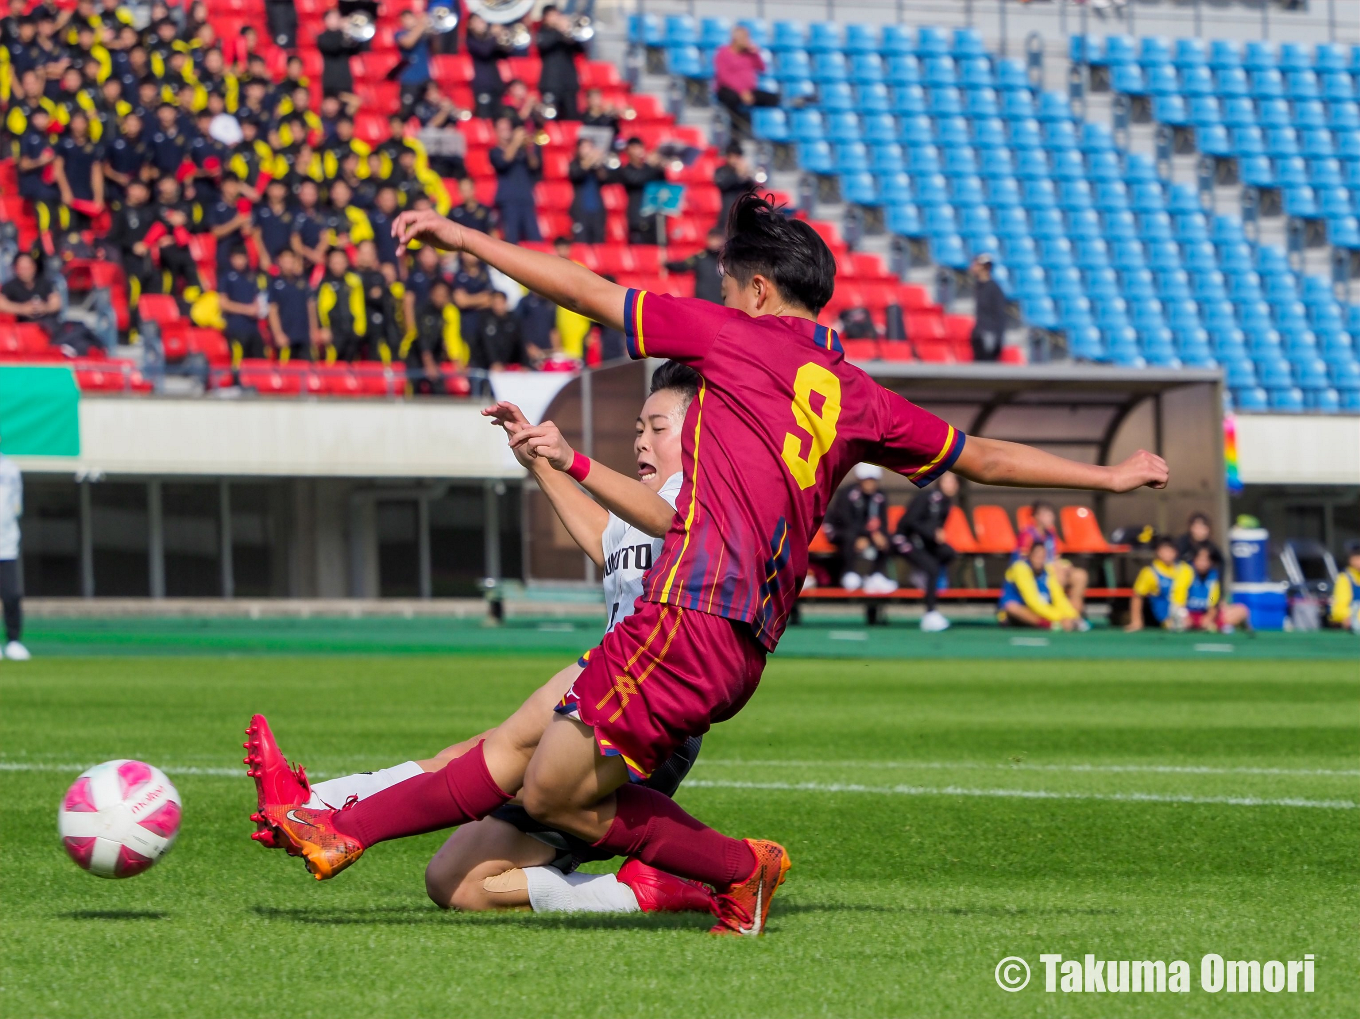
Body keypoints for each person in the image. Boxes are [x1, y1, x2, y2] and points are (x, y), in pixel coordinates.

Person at [258, 190, 1169, 938]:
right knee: (524, 759)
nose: (723, 296)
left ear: (761, 291)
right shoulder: (858, 396)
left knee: (553, 787)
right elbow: (982, 457)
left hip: (688, 608)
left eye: (730, 283)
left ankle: (738, 868)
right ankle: (340, 826)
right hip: (740, 642)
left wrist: (463, 236)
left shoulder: (735, 340)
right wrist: (1108, 474)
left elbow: (585, 288)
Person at [248, 365, 715, 917]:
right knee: (455, 883)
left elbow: (668, 521)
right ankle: (638, 892)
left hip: (644, 720)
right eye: (637, 426)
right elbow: (604, 538)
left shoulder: (704, 498)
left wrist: (572, 460)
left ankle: (315, 806)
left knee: (481, 756)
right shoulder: (638, 503)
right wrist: (538, 462)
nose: (640, 438)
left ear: (698, 435)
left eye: (657, 428)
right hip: (603, 693)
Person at [892, 472, 958, 632]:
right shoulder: (927, 497)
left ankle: (923, 574)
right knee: (932, 568)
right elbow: (909, 521)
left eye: (954, 482)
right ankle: (930, 614)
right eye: (947, 481)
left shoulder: (946, 503)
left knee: (949, 553)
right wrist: (931, 532)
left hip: (923, 542)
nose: (951, 485)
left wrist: (935, 534)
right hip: (904, 539)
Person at [823, 464, 897, 593]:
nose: (870, 484)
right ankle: (849, 573)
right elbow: (846, 521)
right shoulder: (847, 494)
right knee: (851, 537)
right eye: (866, 480)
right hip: (841, 532)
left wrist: (879, 535)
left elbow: (882, 522)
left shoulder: (879, 496)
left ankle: (876, 575)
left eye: (873, 480)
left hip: (867, 534)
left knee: (888, 539)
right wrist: (867, 534)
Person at [1016, 500, 1087, 618]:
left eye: (1051, 514)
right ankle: (1059, 615)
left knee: (1080, 575)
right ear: (1037, 517)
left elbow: (1055, 556)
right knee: (1057, 574)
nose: (1051, 518)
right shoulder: (1028, 534)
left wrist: (1065, 565)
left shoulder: (1051, 534)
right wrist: (1051, 566)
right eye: (1047, 515)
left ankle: (1076, 615)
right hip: (1038, 573)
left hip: (1052, 568)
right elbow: (1024, 560)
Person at [712, 24, 777, 140]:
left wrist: (755, 53)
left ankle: (765, 131)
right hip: (728, 90)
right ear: (736, 39)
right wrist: (742, 91)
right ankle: (736, 132)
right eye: (745, 38)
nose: (748, 41)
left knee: (772, 98)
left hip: (749, 91)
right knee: (732, 99)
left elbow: (762, 68)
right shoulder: (723, 53)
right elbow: (724, 77)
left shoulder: (749, 55)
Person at [998, 542, 1081, 631]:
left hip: (1041, 611)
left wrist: (1072, 616)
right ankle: (1049, 625)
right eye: (1037, 556)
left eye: (1042, 557)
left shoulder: (1048, 570)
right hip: (1018, 612)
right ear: (1030, 555)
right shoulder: (1020, 568)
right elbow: (1032, 601)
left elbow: (1058, 597)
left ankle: (1063, 622)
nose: (1039, 560)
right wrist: (1060, 618)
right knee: (1012, 607)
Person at [489, 117, 541, 244]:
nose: (506, 131)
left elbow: (535, 165)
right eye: (502, 128)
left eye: (508, 128)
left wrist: (528, 147)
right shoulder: (495, 152)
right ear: (496, 131)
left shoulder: (521, 151)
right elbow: (504, 161)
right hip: (508, 201)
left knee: (535, 240)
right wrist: (516, 142)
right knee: (511, 240)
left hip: (526, 199)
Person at [1126, 536, 1193, 632]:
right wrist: (1136, 621)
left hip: (1187, 616)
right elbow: (1137, 596)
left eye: (1171, 550)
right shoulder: (1149, 572)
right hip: (1162, 621)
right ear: (1158, 552)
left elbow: (1202, 593)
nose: (1168, 554)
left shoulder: (1185, 570)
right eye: (1164, 550)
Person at [0, 434, 27, 661]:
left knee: (11, 595)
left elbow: (17, 506)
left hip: (6, 546)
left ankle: (14, 641)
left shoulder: (10, 470)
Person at [1184, 545, 1249, 634]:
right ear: (1194, 559)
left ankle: (1218, 625)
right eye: (1200, 559)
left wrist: (1209, 616)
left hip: (1206, 614)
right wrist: (1184, 614)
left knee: (1242, 610)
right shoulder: (1186, 572)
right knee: (1182, 622)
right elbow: (1180, 597)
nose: (1203, 563)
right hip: (1189, 614)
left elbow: (1212, 599)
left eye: (1206, 560)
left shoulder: (1213, 576)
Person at [468, 288, 537, 372]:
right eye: (496, 303)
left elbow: (520, 342)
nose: (498, 306)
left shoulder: (513, 320)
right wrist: (494, 362)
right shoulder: (485, 319)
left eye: (500, 303)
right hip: (486, 366)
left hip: (507, 366)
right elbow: (488, 343)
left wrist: (525, 364)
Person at [265, 248, 316, 362]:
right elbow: (272, 310)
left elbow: (310, 306)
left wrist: (313, 330)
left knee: (308, 371)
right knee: (286, 374)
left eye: (291, 259)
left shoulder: (303, 282)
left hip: (304, 336)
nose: (288, 262)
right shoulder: (274, 284)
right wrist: (278, 334)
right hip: (286, 337)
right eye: (285, 259)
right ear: (279, 261)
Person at [614, 135, 665, 244]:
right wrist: (649, 164)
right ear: (628, 151)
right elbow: (637, 179)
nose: (638, 151)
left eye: (640, 147)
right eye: (634, 148)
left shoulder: (650, 169)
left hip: (653, 217)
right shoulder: (625, 170)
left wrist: (660, 167)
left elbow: (662, 183)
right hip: (637, 217)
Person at [535, 5, 582, 122]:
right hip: (551, 83)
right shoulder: (543, 33)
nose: (556, 18)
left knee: (571, 118)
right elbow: (544, 45)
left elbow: (581, 50)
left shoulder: (566, 34)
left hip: (569, 83)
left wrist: (571, 32)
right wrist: (560, 30)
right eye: (553, 16)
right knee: (549, 118)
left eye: (557, 15)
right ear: (545, 18)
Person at [218, 245, 264, 365]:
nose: (239, 261)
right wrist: (246, 310)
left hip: (253, 328)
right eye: (236, 258)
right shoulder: (226, 277)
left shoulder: (253, 277)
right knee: (239, 362)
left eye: (242, 258)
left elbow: (260, 299)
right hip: (236, 328)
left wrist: (258, 308)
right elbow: (223, 303)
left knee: (259, 362)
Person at [0, 253, 61, 336]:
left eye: (28, 267)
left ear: (34, 267)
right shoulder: (10, 286)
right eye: (22, 268)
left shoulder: (44, 283)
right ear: (16, 269)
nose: (25, 270)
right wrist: (22, 309)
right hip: (22, 327)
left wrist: (45, 308)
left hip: (46, 325)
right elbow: (2, 303)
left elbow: (56, 302)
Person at [464, 13, 509, 118]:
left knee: (498, 118)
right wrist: (494, 36)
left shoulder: (489, 40)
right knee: (485, 118)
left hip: (496, 85)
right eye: (478, 21)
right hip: (482, 86)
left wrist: (503, 37)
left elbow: (504, 54)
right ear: (470, 24)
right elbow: (484, 51)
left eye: (483, 21)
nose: (482, 23)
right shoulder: (470, 40)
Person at [663, 228, 724, 304]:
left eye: (717, 239)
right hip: (703, 301)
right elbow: (682, 266)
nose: (715, 242)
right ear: (707, 239)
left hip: (721, 301)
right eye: (712, 238)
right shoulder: (700, 258)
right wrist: (667, 264)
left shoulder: (727, 260)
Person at [567, 136, 608, 244]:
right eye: (584, 147)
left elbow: (604, 177)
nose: (588, 150)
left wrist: (598, 162)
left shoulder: (595, 166)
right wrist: (589, 160)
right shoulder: (574, 164)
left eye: (590, 147)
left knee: (599, 243)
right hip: (580, 211)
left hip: (597, 211)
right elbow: (576, 174)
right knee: (580, 243)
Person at [316, 8, 363, 103]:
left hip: (345, 81)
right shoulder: (322, 37)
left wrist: (351, 31)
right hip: (331, 82)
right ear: (326, 20)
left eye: (338, 17)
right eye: (333, 17)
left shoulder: (345, 35)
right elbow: (334, 47)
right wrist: (345, 33)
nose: (337, 20)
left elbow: (356, 49)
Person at [969, 253, 1006, 362]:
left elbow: (999, 315)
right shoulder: (978, 287)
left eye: (976, 265)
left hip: (989, 336)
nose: (973, 267)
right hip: (978, 335)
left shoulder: (994, 289)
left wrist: (998, 339)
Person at [395, 9, 432, 113]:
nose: (408, 21)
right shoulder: (399, 34)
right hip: (409, 80)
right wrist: (421, 24)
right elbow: (408, 42)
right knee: (406, 112)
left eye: (410, 18)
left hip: (425, 78)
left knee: (425, 111)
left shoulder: (423, 34)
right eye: (405, 19)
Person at [713, 142, 756, 229]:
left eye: (737, 157)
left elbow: (753, 189)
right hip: (727, 211)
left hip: (743, 211)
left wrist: (747, 176)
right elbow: (723, 184)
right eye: (732, 157)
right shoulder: (721, 171)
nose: (734, 160)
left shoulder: (745, 172)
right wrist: (738, 175)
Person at [1327, 542, 1360, 633]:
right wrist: (1349, 617)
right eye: (1357, 558)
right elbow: (1338, 608)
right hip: (1352, 626)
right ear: (1350, 560)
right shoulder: (1345, 578)